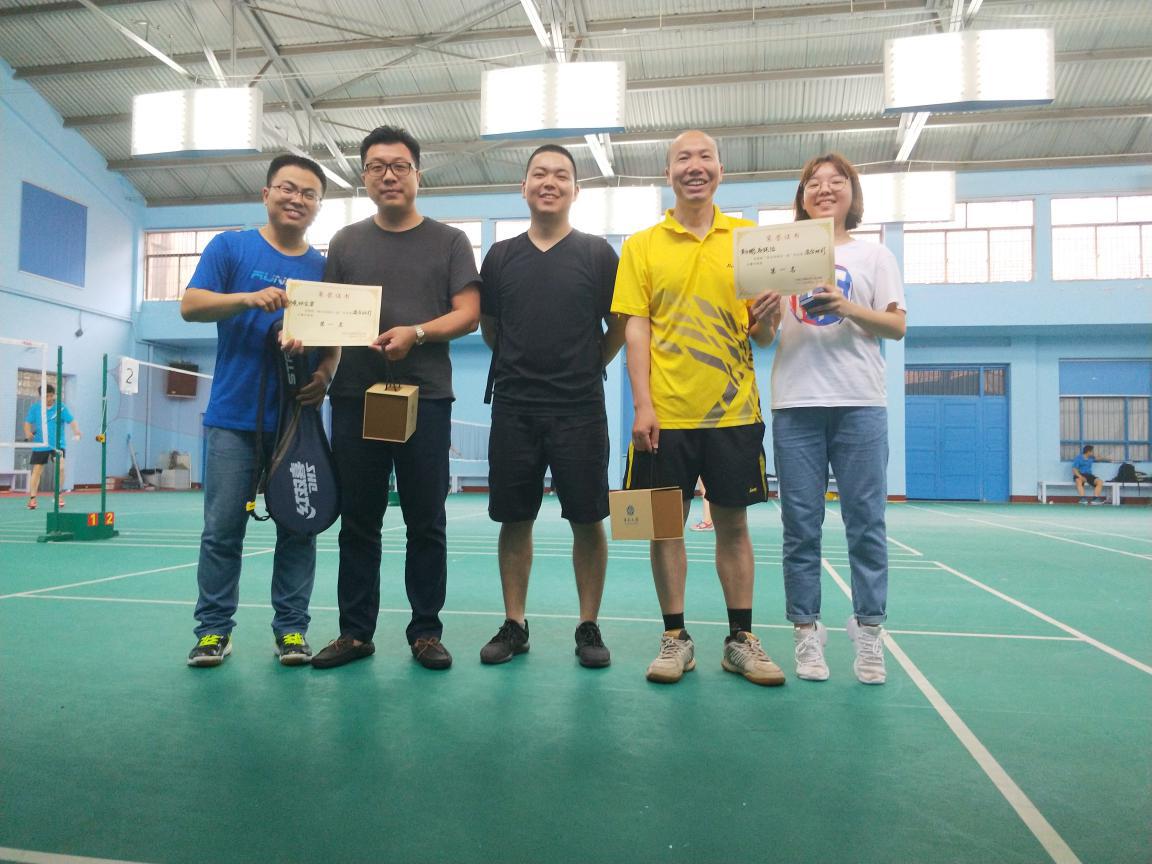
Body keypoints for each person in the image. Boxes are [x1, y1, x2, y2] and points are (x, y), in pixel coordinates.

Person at [612, 129, 784, 687]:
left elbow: (764, 337)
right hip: (664, 416)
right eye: (682, 158)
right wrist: (642, 405)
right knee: (663, 529)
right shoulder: (641, 245)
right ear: (668, 174)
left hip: (734, 414)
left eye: (705, 156)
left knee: (733, 525)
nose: (694, 165)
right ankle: (675, 638)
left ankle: (740, 640)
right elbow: (636, 329)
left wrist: (769, 318)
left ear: (720, 170)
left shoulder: (749, 241)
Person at [312, 125, 480, 671]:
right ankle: (355, 633)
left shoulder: (450, 241)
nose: (389, 175)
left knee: (425, 520)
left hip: (424, 400)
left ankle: (425, 632)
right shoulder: (345, 243)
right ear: (364, 176)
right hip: (354, 398)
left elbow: (468, 313)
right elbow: (327, 318)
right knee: (358, 521)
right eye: (377, 166)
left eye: (400, 165)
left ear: (417, 174)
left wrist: (418, 333)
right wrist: (305, 341)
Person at [752, 152, 907, 685]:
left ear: (851, 193)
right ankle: (806, 631)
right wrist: (762, 318)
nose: (824, 188)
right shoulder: (783, 253)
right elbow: (765, 339)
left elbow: (896, 327)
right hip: (796, 404)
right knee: (800, 527)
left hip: (860, 402)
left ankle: (869, 630)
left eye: (836, 181)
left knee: (867, 523)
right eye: (813, 183)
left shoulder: (874, 255)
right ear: (801, 197)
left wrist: (845, 306)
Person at [180, 154, 338, 668]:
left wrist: (325, 375)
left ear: (318, 206)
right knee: (222, 531)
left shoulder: (323, 269)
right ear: (267, 194)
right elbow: (191, 305)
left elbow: (334, 341)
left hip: (296, 424)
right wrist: (248, 299)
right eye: (287, 188)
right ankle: (212, 632)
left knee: (300, 529)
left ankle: (291, 631)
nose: (297, 199)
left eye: (309, 193)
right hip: (232, 418)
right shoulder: (230, 247)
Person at [477, 144, 625, 668]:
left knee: (588, 519)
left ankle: (588, 625)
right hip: (514, 408)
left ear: (575, 190)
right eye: (539, 173)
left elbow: (619, 326)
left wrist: (587, 363)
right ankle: (515, 624)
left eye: (561, 175)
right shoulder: (500, 257)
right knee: (514, 520)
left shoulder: (598, 254)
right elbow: (490, 327)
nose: (549, 182)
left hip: (580, 410)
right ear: (523, 187)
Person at [24, 383, 81, 510]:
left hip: (57, 444)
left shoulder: (61, 407)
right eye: (47, 396)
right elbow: (27, 422)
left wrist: (76, 431)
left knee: (61, 468)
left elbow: (71, 421)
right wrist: (27, 433)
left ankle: (58, 495)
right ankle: (32, 499)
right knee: (37, 470)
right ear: (41, 397)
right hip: (41, 444)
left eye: (51, 395)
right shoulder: (35, 408)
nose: (50, 398)